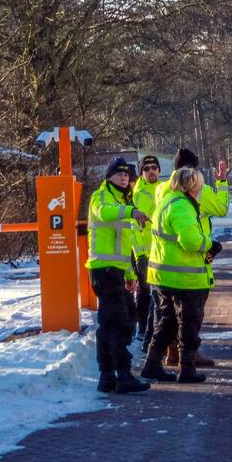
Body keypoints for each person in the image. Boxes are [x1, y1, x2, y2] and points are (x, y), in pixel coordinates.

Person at [142, 167, 222, 384]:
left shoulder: (167, 201)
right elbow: (190, 241)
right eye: (200, 186)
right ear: (192, 187)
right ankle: (187, 369)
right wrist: (211, 244)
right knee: (189, 323)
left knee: (167, 323)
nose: (202, 189)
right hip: (184, 277)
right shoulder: (182, 206)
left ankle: (152, 364)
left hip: (164, 276)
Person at [154, 148, 228, 367]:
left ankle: (171, 353)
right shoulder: (197, 190)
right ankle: (188, 356)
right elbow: (222, 208)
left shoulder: (161, 189)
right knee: (191, 314)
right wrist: (222, 183)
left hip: (164, 260)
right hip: (193, 257)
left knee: (169, 315)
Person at [86, 157, 151, 394]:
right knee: (120, 322)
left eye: (126, 175)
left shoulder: (121, 200)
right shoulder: (102, 196)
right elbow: (103, 214)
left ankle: (107, 376)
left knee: (108, 324)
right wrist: (131, 210)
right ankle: (122, 375)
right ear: (109, 177)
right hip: (104, 270)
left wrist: (130, 273)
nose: (124, 178)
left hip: (115, 271)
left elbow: (125, 243)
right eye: (119, 174)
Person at [131, 155, 163, 350]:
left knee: (156, 294)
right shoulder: (139, 193)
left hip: (160, 251)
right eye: (147, 168)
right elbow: (134, 228)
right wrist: (139, 255)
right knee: (145, 293)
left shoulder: (163, 188)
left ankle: (152, 329)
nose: (151, 171)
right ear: (141, 172)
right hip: (144, 253)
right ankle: (143, 330)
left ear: (159, 170)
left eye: (154, 167)